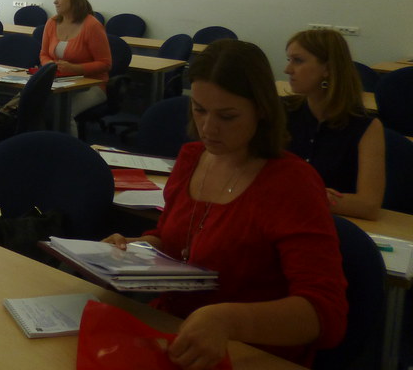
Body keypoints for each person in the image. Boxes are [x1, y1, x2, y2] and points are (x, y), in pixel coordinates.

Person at [103, 40, 346, 369]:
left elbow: (325, 314)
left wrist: (228, 321)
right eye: (199, 109)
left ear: (262, 110)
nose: (208, 128)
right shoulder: (191, 158)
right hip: (175, 333)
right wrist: (133, 249)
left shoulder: (292, 183)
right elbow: (173, 241)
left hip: (250, 352)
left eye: (227, 116)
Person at [283, 29, 384, 220]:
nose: (288, 69)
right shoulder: (282, 112)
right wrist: (315, 196)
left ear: (327, 69)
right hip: (281, 216)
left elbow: (369, 205)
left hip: (335, 223)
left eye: (298, 61)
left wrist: (302, 195)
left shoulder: (366, 127)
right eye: (289, 60)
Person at [39, 0, 111, 120]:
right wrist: (49, 65)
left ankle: (66, 136)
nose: (55, 1)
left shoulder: (92, 25)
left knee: (64, 112)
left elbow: (105, 64)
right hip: (60, 81)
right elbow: (44, 54)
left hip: (92, 84)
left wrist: (75, 68)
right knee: (31, 102)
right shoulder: (52, 23)